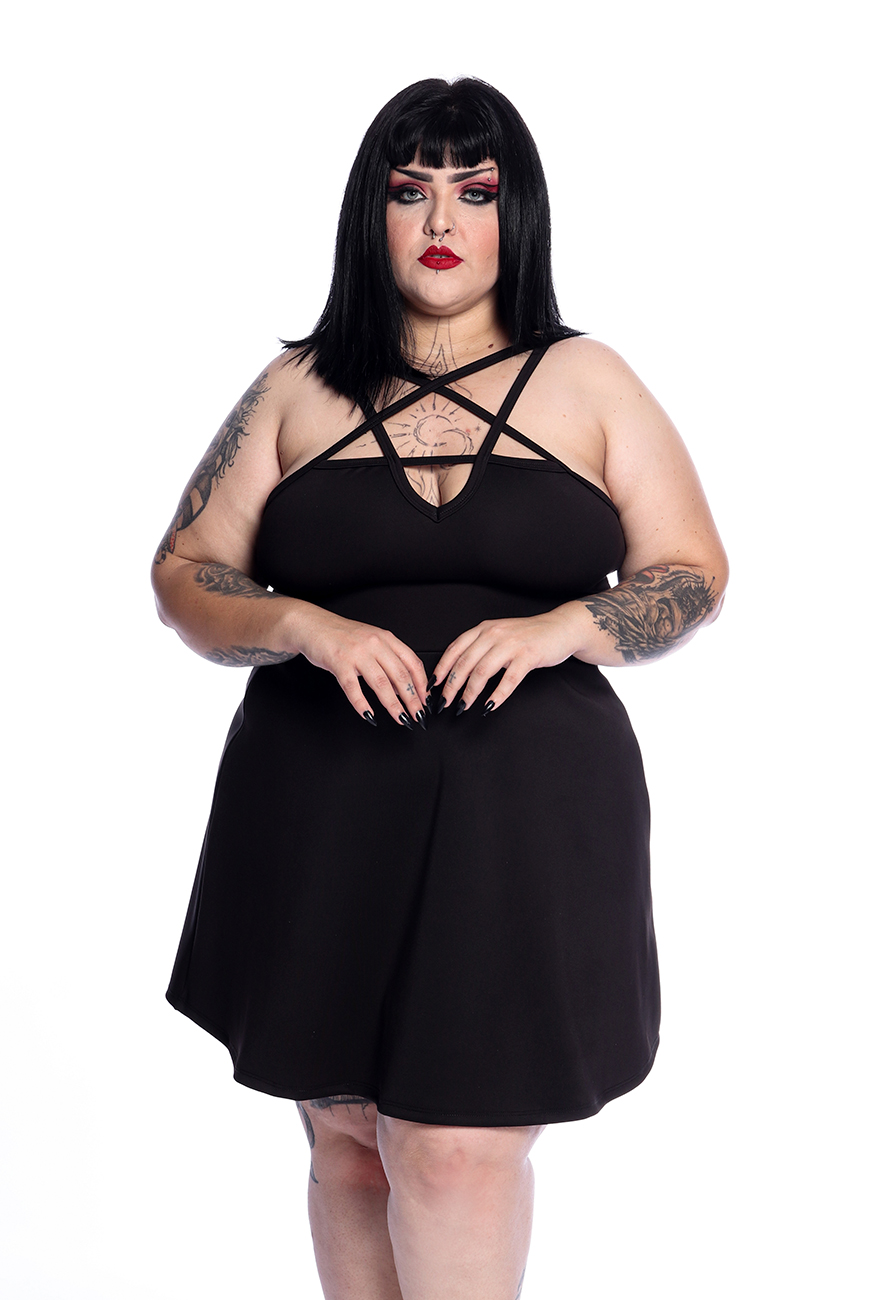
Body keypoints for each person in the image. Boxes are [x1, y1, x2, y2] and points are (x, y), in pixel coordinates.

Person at [152, 77, 728, 1300]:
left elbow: (692, 570)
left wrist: (568, 625)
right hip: (320, 803)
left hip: (527, 812)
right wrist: (303, 623)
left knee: (458, 1146)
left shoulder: (590, 379)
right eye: (410, 191)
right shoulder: (296, 385)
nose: (442, 221)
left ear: (521, 212)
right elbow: (186, 573)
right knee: (350, 1140)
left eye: (476, 190)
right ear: (370, 213)